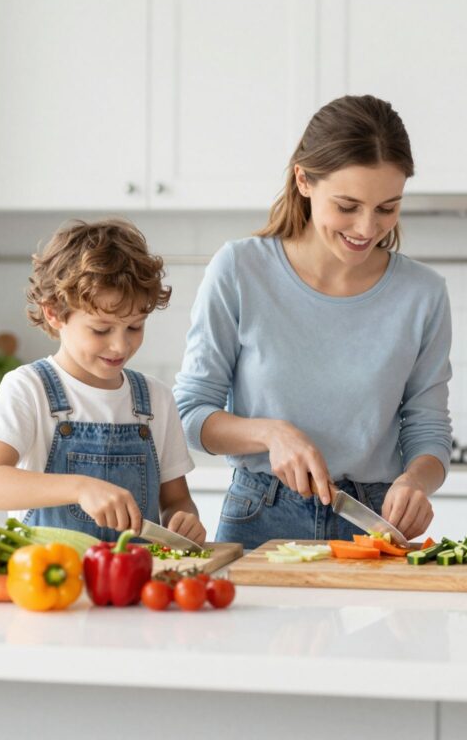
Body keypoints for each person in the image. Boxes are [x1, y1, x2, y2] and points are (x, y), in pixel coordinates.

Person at [173, 95, 452, 550]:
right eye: (347, 206)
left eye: (387, 208)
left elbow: (428, 429)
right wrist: (271, 433)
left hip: (374, 522)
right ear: (303, 179)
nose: (366, 227)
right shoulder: (240, 269)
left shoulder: (422, 294)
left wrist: (417, 482)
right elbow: (189, 416)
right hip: (260, 516)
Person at [0, 219, 205, 544]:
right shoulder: (28, 388)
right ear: (54, 313)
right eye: (101, 329)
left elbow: (176, 500)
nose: (120, 345)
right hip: (49, 583)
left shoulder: (156, 400)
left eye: (134, 327)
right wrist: (80, 487)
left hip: (136, 584)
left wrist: (185, 519)